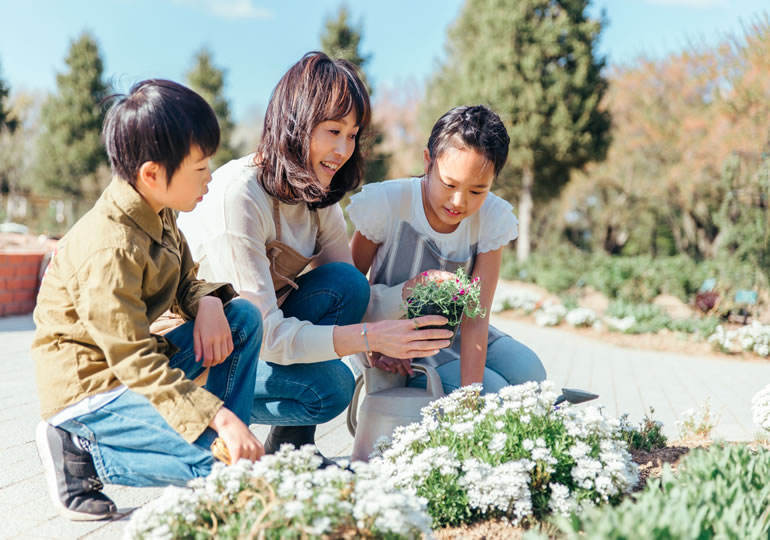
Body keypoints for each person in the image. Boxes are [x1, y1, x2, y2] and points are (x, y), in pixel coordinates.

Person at [177, 52, 451, 460]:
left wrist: (405, 299)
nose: (342, 149)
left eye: (353, 134)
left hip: (252, 337)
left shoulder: (316, 192)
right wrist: (369, 337)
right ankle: (208, 431)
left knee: (347, 284)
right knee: (331, 386)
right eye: (332, 130)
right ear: (296, 123)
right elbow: (267, 335)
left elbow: (350, 296)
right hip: (192, 356)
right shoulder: (239, 198)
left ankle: (290, 449)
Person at [32, 80, 264, 521]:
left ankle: (232, 456)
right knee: (216, 470)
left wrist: (209, 303)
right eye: (200, 169)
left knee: (243, 318)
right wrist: (218, 415)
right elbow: (133, 362)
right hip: (93, 390)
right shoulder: (110, 249)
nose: (210, 177)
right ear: (153, 173)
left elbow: (184, 283)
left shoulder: (160, 209)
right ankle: (76, 447)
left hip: (135, 370)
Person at [348, 105, 546, 395]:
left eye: (477, 190)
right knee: (495, 394)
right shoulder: (388, 204)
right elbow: (348, 293)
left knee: (532, 376)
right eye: (449, 184)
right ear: (428, 161)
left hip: (459, 335)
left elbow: (476, 318)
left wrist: (468, 399)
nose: (458, 202)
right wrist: (374, 342)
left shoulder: (492, 218)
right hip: (392, 338)